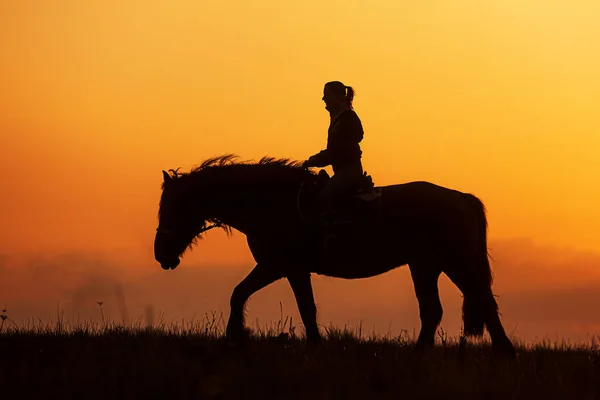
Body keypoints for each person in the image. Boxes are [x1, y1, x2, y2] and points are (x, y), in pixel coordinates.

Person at [303, 81, 365, 224]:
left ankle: (334, 232)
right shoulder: (339, 119)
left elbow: (337, 151)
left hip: (349, 171)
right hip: (341, 171)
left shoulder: (347, 119)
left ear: (339, 97)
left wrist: (314, 160)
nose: (323, 99)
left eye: (327, 95)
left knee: (325, 195)